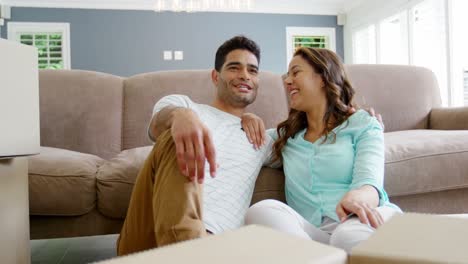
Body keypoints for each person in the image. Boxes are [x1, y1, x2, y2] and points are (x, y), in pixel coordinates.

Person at [116, 35, 275, 256]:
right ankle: (191, 251)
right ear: (215, 76)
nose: (245, 76)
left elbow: (312, 135)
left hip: (215, 241)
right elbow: (156, 126)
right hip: (150, 237)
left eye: (253, 70)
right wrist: (182, 116)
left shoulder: (262, 138)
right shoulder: (185, 106)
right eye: (234, 68)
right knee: (180, 132)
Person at [242, 47, 402, 253]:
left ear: (323, 78)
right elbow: (238, 146)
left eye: (296, 72)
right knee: (261, 211)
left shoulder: (362, 124)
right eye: (287, 75)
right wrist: (245, 118)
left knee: (346, 236)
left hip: (363, 219)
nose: (287, 80)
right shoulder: (286, 138)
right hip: (315, 236)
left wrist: (357, 198)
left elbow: (370, 183)